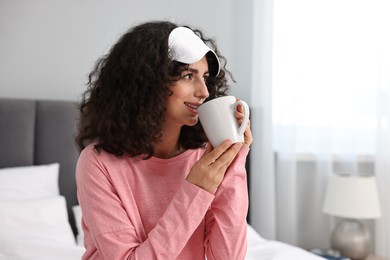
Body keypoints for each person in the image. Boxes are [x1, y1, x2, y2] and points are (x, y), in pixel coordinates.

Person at [75, 20, 252, 260]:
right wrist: (197, 189)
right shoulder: (98, 163)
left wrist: (233, 158)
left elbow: (227, 257)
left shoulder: (205, 159)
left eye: (205, 77)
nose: (204, 92)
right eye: (188, 75)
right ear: (148, 82)